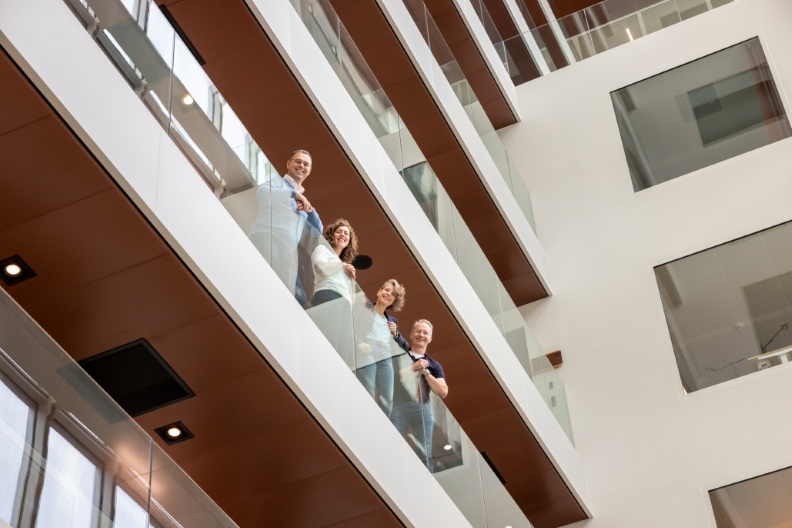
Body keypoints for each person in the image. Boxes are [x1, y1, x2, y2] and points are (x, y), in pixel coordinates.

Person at [249, 150, 321, 304]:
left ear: (309, 171)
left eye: (306, 164)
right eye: (298, 161)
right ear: (289, 164)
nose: (301, 165)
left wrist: (310, 211)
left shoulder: (302, 198)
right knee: (257, 282)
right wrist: (293, 193)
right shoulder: (277, 182)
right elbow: (262, 194)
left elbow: (318, 229)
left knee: (282, 297)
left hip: (288, 252)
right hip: (267, 238)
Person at [390, 320, 447, 472]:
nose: (421, 335)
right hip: (398, 405)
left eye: (425, 333)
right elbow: (394, 379)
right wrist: (414, 367)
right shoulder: (401, 354)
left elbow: (442, 391)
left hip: (423, 407)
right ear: (411, 335)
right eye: (418, 331)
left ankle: (426, 485)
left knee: (425, 451)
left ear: (430, 338)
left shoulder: (434, 365)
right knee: (390, 441)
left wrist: (426, 372)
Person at [356, 279, 409, 417]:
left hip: (385, 355)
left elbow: (406, 347)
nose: (388, 294)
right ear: (379, 292)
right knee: (368, 388)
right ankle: (365, 416)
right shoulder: (366, 309)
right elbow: (353, 328)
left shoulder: (392, 321)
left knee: (387, 399)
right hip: (369, 349)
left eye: (392, 294)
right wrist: (360, 343)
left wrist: (396, 333)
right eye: (386, 290)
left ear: (393, 301)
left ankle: (382, 425)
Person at [308, 219, 358, 365]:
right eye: (339, 231)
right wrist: (341, 266)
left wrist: (352, 278)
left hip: (344, 305)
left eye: (346, 233)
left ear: (349, 241)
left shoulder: (344, 265)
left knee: (341, 348)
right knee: (329, 338)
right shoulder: (322, 250)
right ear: (332, 235)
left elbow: (352, 299)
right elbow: (320, 268)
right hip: (328, 295)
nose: (342, 235)